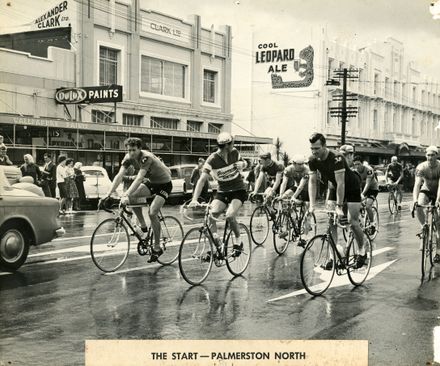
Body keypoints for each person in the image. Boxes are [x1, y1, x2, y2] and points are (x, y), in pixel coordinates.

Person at [103, 137, 173, 263]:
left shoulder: (146, 157)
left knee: (152, 213)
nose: (131, 153)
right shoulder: (128, 157)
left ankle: (157, 248)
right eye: (129, 150)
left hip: (164, 184)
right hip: (152, 183)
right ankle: (143, 225)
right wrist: (108, 193)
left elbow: (140, 178)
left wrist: (126, 194)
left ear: (140, 149)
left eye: (134, 150)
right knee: (131, 197)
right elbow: (119, 175)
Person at [307, 133, 366, 268]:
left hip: (351, 187)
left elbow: (342, 183)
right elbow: (312, 182)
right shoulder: (312, 160)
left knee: (352, 222)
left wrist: (339, 206)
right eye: (312, 148)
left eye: (317, 148)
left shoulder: (337, 158)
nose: (314, 151)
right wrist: (311, 205)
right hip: (334, 187)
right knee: (331, 221)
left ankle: (362, 251)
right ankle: (333, 258)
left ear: (324, 146)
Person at [189, 132, 247, 260]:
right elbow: (202, 179)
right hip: (222, 191)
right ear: (227, 145)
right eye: (232, 143)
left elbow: (245, 163)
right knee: (211, 215)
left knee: (230, 215)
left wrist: (243, 165)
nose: (233, 145)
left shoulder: (235, 153)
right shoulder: (212, 159)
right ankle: (217, 246)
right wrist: (194, 199)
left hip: (238, 190)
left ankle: (238, 241)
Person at [412, 146, 440, 262]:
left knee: (438, 224)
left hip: (438, 191)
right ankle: (424, 227)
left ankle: (438, 251)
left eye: (432, 155)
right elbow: (417, 184)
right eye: (428, 155)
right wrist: (414, 200)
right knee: (419, 204)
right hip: (427, 189)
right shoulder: (421, 167)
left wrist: (438, 200)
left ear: (437, 156)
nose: (430, 157)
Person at [353, 155, 379, 235]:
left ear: (362, 163)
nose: (357, 166)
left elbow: (368, 184)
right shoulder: (354, 171)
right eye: (355, 164)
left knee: (368, 206)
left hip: (372, 189)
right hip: (362, 188)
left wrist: (362, 194)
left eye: (358, 164)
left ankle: (372, 224)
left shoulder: (369, 169)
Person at [250, 152, 284, 216]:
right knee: (266, 196)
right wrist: (255, 191)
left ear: (267, 160)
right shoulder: (264, 166)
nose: (260, 163)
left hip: (284, 184)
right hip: (275, 183)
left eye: (261, 161)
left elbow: (278, 181)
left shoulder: (278, 165)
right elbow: (259, 179)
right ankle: (272, 212)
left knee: (281, 201)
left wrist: (272, 191)